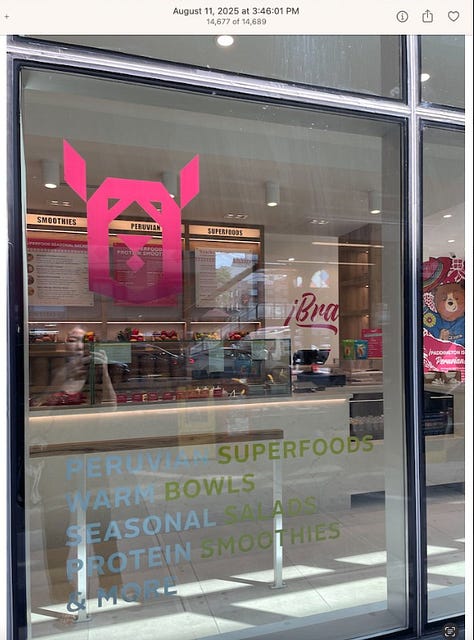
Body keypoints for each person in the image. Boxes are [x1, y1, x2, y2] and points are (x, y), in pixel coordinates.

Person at [31, 326, 116, 407]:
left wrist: (105, 372)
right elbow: (37, 404)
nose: (79, 346)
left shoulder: (95, 371)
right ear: (65, 344)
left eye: (85, 341)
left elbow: (112, 406)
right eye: (72, 341)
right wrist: (61, 378)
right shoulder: (51, 368)